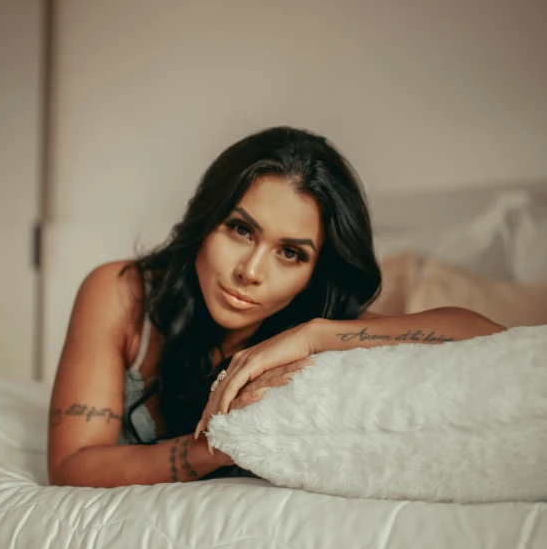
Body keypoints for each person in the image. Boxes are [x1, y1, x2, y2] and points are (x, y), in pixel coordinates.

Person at [47, 126, 504, 488]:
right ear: (206, 221)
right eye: (241, 230)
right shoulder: (123, 292)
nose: (251, 270)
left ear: (314, 272)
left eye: (291, 253)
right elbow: (72, 463)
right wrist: (214, 450)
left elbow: (490, 337)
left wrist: (314, 335)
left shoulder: (312, 319)